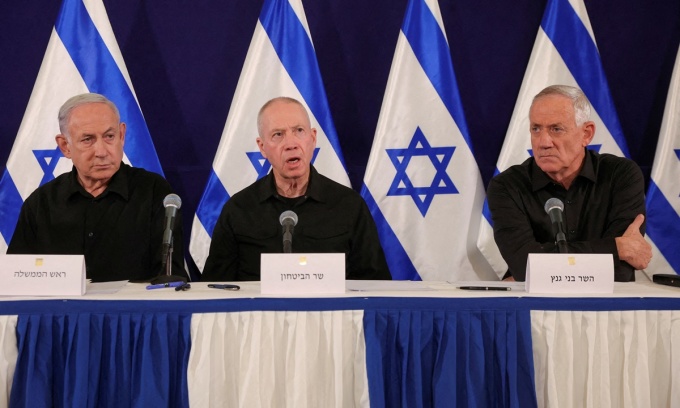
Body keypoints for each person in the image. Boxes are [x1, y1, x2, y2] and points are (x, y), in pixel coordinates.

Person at [202, 96, 391, 281]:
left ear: (313, 138)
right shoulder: (239, 210)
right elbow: (215, 288)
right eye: (278, 135)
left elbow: (375, 284)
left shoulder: (349, 205)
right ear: (262, 147)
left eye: (299, 131)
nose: (291, 144)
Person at [8, 93, 187, 282]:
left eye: (109, 136)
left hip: (132, 310)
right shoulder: (41, 203)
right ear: (65, 146)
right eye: (87, 140)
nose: (101, 152)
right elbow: (17, 279)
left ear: (121, 135)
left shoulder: (153, 192)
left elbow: (168, 277)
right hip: (62, 311)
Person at [487, 85, 652, 282]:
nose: (543, 142)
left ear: (586, 134)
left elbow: (620, 270)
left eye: (556, 129)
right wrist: (616, 248)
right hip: (538, 308)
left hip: (606, 307)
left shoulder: (621, 176)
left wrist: (546, 265)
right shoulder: (507, 186)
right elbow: (524, 266)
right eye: (536, 129)